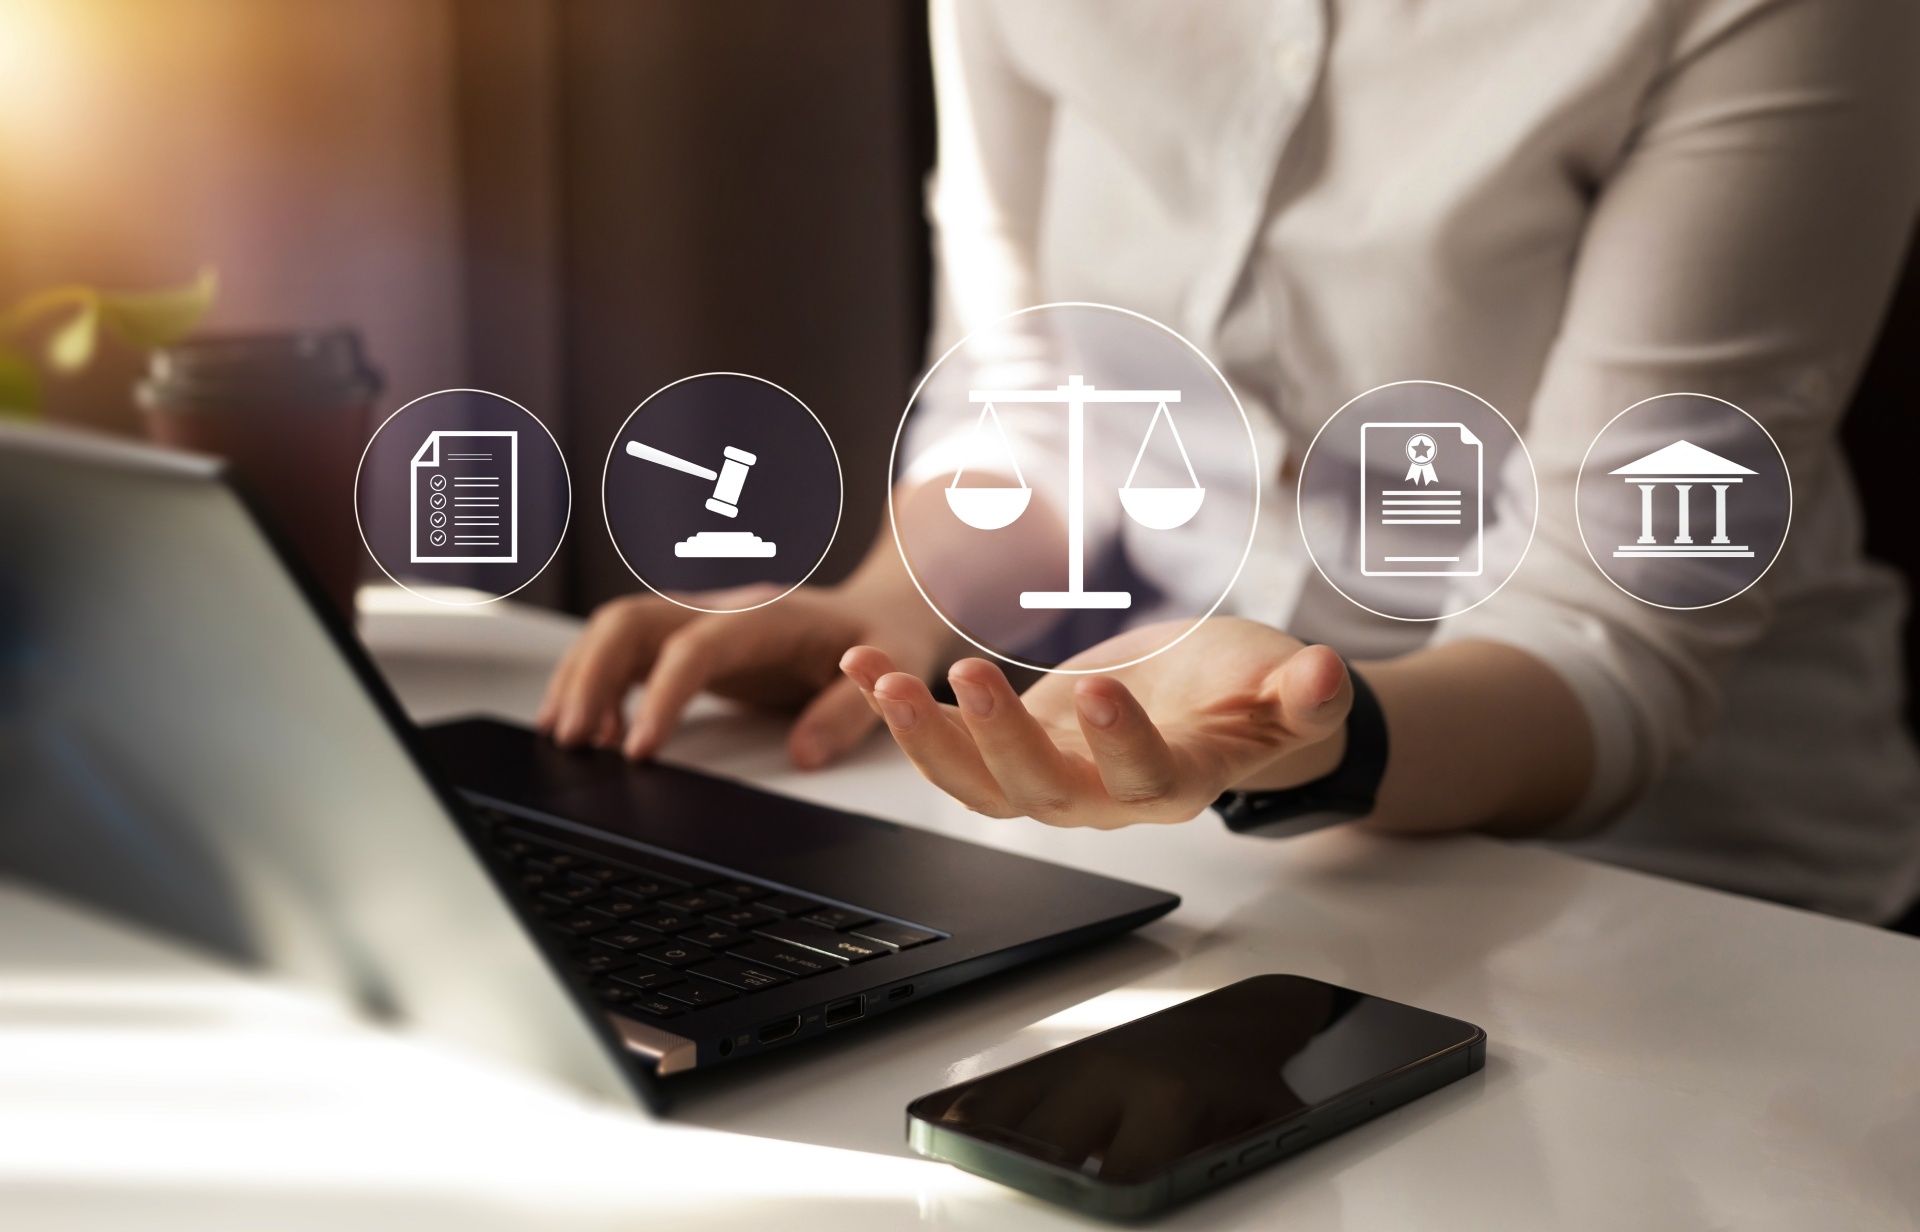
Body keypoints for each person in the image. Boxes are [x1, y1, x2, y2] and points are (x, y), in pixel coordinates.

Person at [541, 0, 1920, 925]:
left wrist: (1313, 741)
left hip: (1679, 896)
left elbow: (1606, 637)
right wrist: (884, 620)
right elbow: (1041, 403)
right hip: (1210, 854)